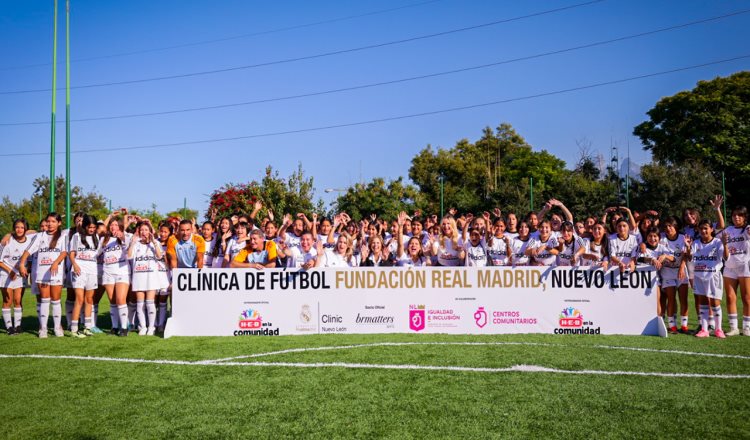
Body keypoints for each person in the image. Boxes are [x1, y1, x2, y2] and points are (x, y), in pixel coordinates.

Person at [19, 212, 68, 338]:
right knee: (44, 300)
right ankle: (43, 329)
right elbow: (28, 250)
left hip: (56, 272)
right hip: (42, 272)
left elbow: (63, 253)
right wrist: (22, 263)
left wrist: (56, 262)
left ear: (59, 223)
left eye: (53, 221)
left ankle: (57, 327)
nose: (50, 224)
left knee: (56, 300)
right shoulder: (39, 236)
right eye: (48, 221)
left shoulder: (63, 236)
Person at [681, 220, 729, 338]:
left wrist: (725, 244)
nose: (703, 231)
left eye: (706, 228)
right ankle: (704, 329)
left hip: (713, 276)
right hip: (699, 275)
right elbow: (690, 257)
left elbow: (726, 257)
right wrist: (688, 247)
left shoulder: (718, 242)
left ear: (711, 229)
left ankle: (718, 329)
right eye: (701, 228)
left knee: (715, 303)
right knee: (702, 302)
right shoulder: (696, 243)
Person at [128, 220, 166, 335]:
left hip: (151, 277)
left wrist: (154, 242)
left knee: (150, 303)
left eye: (146, 230)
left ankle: (151, 327)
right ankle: (143, 327)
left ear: (150, 231)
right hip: (139, 277)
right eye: (142, 230)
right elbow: (129, 256)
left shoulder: (155, 243)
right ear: (138, 232)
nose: (144, 232)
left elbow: (159, 257)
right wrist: (133, 243)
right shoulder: (136, 243)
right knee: (140, 304)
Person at [98, 216, 132, 336]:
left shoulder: (126, 236)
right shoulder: (104, 239)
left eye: (116, 225)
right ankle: (114, 327)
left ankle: (124, 327)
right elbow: (96, 253)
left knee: (120, 299)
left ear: (120, 226)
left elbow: (128, 244)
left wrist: (121, 235)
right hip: (108, 271)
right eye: (111, 225)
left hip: (122, 271)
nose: (113, 227)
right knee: (112, 301)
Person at [68, 215, 100, 337]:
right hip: (79, 271)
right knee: (79, 299)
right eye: (89, 227)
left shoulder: (96, 237)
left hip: (92, 271)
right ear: (84, 226)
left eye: (93, 227)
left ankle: (87, 327)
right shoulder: (76, 236)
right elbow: (71, 254)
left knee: (89, 299)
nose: (91, 229)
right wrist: (75, 265)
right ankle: (74, 329)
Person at [721, 206, 750, 336]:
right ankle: (734, 328)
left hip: (745, 267)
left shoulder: (748, 229)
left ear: (744, 217)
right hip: (729, 267)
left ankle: (747, 327)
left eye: (739, 215)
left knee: (747, 298)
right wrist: (717, 209)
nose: (736, 217)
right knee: (730, 297)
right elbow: (720, 227)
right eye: (734, 215)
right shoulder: (728, 230)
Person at [0, 219, 32, 335]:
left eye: (22, 227)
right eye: (17, 227)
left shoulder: (30, 241)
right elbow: (0, 261)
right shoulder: (7, 242)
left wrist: (28, 269)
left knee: (18, 300)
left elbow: (38, 232)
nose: (19, 230)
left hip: (20, 275)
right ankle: (9, 327)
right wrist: (10, 271)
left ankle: (18, 326)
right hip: (5, 274)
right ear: (14, 228)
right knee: (7, 300)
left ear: (26, 229)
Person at [635, 226, 674, 320]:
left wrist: (665, 256)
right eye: (650, 236)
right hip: (646, 279)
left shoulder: (662, 247)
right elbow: (639, 258)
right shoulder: (643, 248)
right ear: (646, 237)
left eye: (655, 236)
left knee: (661, 300)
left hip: (661, 277)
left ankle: (663, 320)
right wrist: (651, 259)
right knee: (654, 301)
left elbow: (673, 258)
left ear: (659, 237)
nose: (652, 239)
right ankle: (657, 320)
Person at [659, 217, 690, 333]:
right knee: (671, 299)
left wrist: (682, 267)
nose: (668, 228)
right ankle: (672, 326)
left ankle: (684, 325)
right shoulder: (661, 238)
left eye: (670, 226)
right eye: (666, 226)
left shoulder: (683, 238)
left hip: (680, 271)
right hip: (667, 271)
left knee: (684, 299)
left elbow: (686, 255)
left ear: (675, 226)